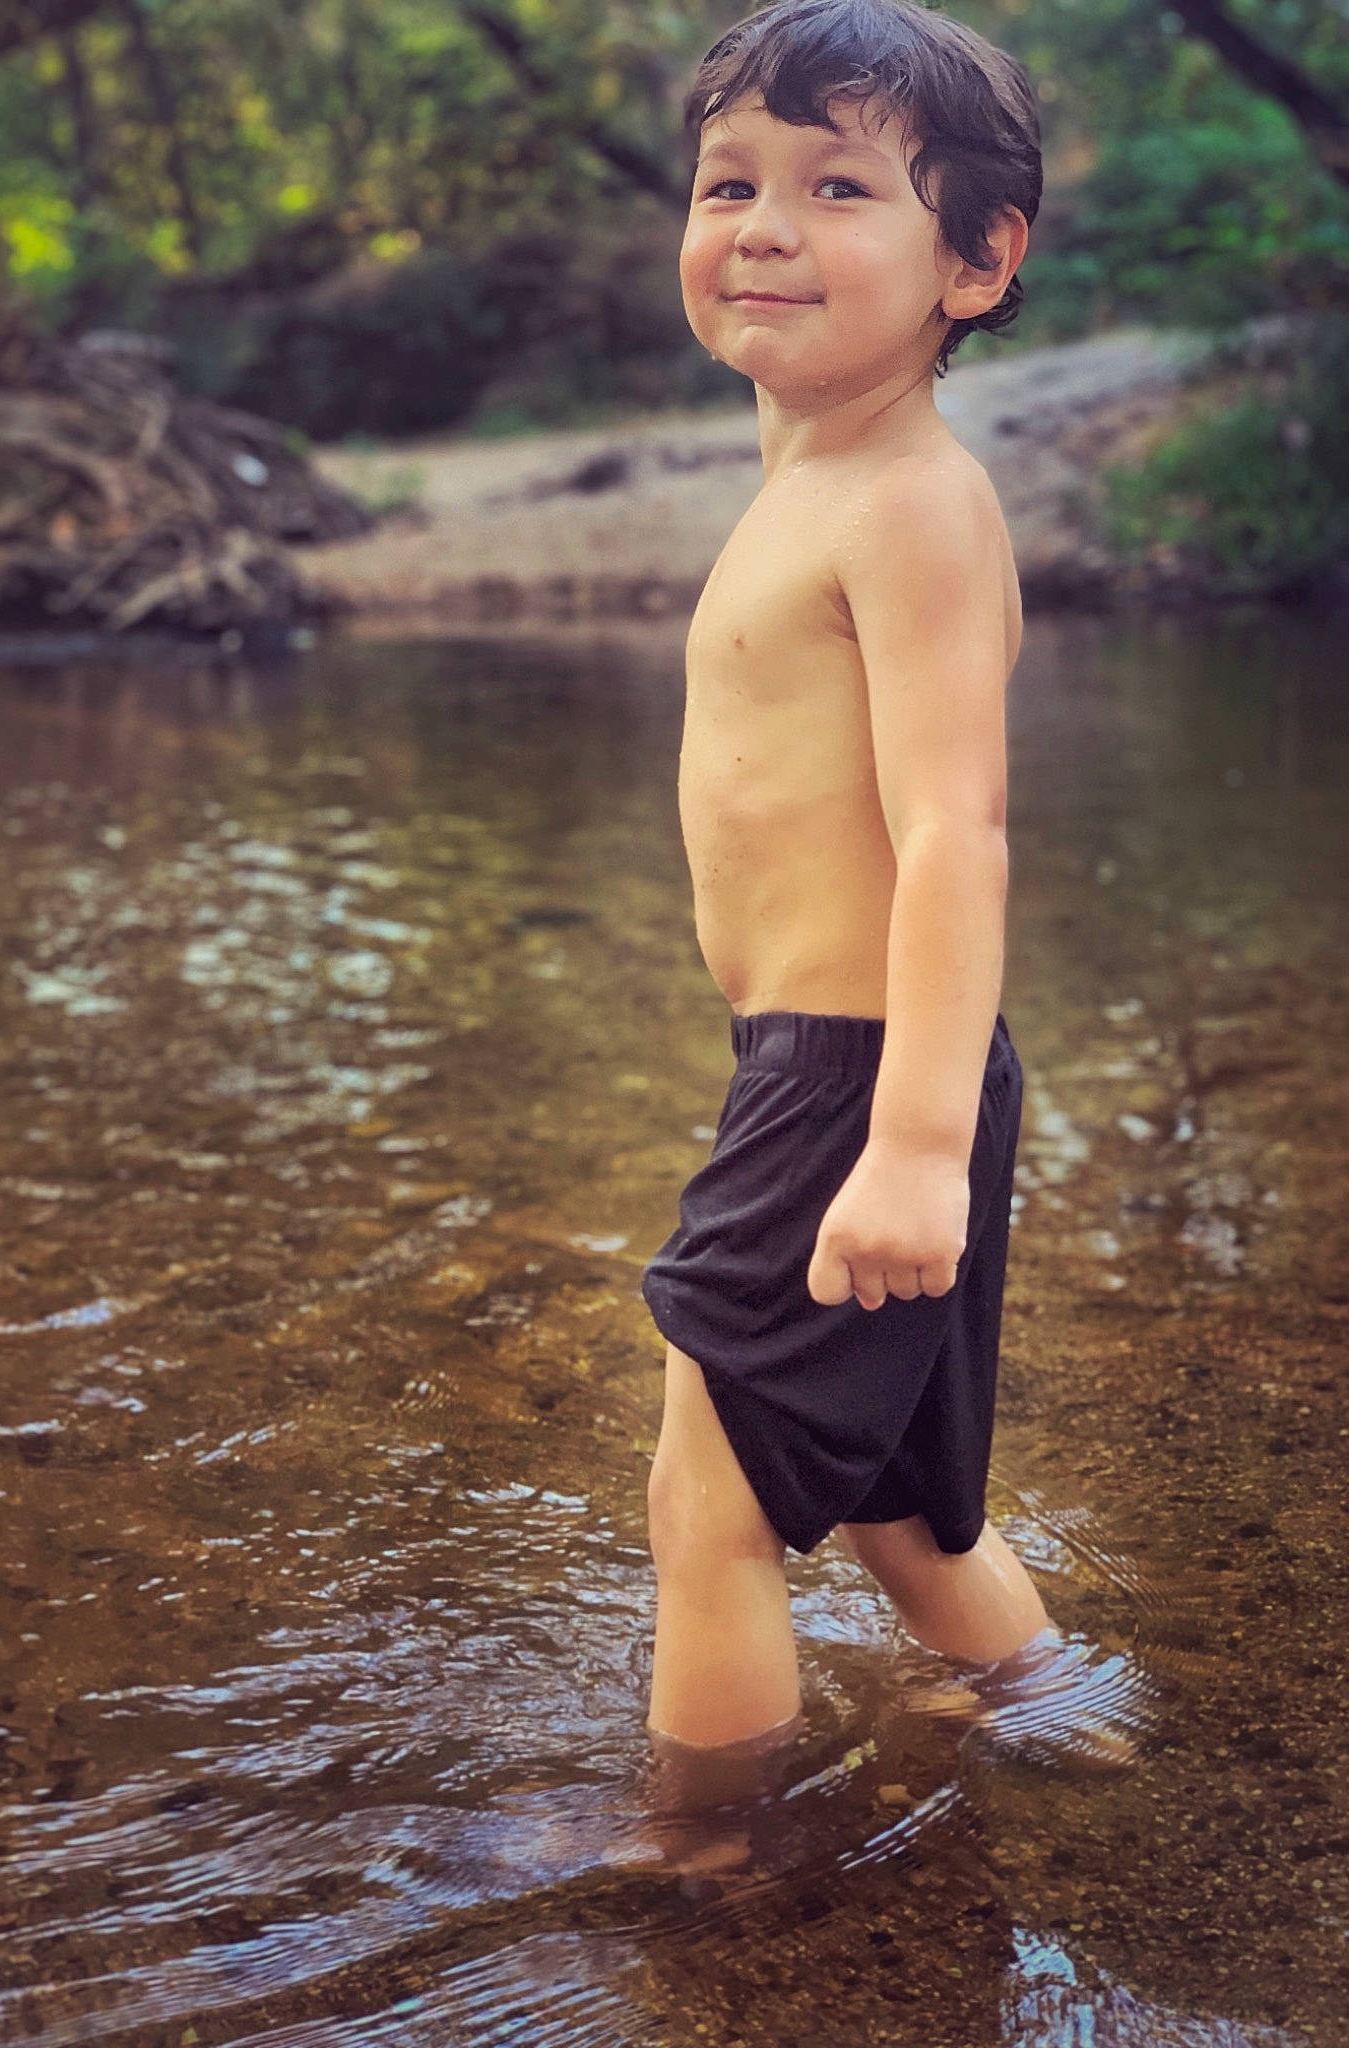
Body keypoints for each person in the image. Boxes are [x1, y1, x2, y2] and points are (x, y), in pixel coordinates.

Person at [637, 0, 1146, 1816]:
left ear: (977, 263)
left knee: (708, 1504)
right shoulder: (814, 481)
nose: (763, 224)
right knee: (900, 1512)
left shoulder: (914, 502)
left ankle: (713, 1874)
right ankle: (1072, 1717)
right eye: (731, 182)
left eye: (839, 185)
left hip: (864, 1082)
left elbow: (956, 831)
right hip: (846, 1068)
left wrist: (917, 1143)